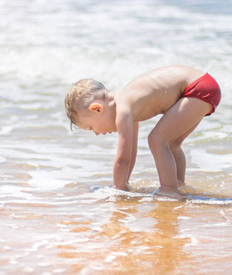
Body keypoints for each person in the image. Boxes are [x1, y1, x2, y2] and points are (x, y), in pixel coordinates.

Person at [64, 65, 221, 198]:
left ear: (97, 108)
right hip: (204, 85)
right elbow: (130, 153)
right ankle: (179, 186)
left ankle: (170, 192)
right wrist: (124, 185)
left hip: (197, 88)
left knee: (157, 140)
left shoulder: (123, 109)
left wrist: (117, 190)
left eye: (91, 128)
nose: (96, 133)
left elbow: (122, 160)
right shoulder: (129, 106)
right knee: (171, 144)